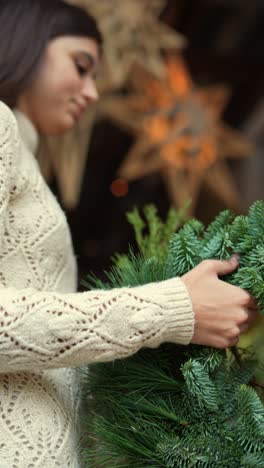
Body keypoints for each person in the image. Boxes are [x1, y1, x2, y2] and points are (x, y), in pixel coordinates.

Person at [0, 0, 259, 466]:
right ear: (25, 42)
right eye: (80, 67)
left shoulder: (24, 157)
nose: (92, 92)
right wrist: (174, 308)